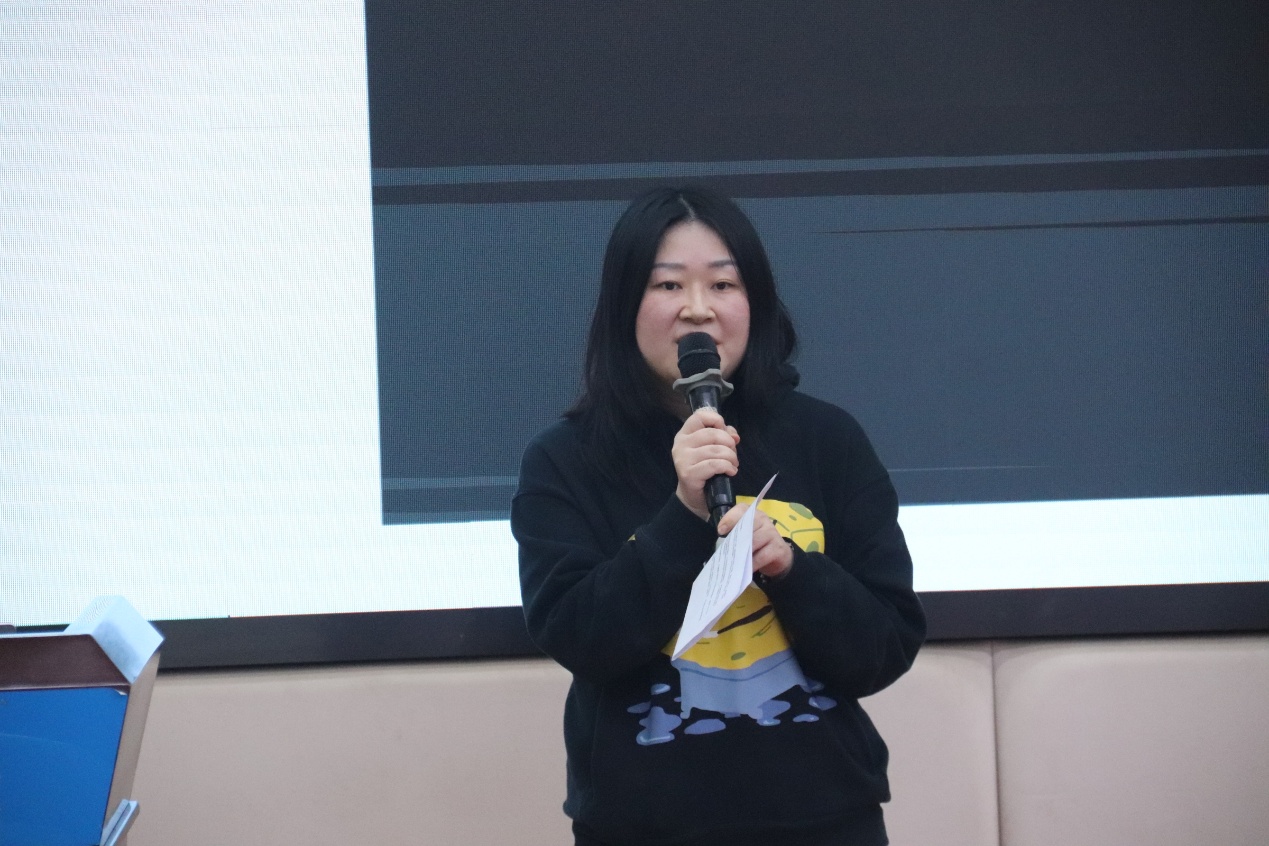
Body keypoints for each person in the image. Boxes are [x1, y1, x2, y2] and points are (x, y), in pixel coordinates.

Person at [512, 186, 925, 846]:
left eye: (723, 285)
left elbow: (883, 649)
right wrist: (683, 513)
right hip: (641, 828)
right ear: (624, 305)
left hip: (824, 820)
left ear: (754, 302)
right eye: (668, 285)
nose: (697, 309)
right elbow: (580, 639)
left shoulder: (826, 439)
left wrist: (789, 568)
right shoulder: (566, 460)